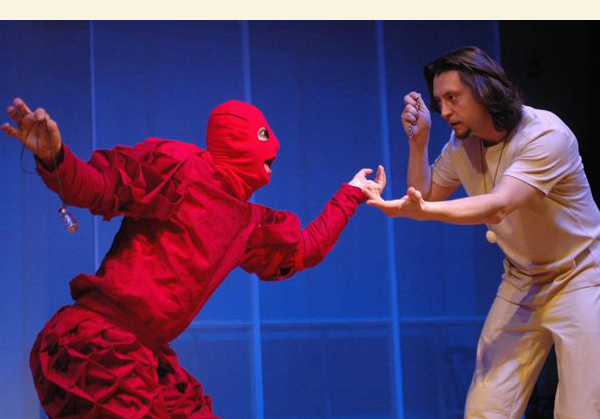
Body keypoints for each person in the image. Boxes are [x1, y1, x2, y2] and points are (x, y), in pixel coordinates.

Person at [2, 97, 385, 419]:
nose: (274, 151)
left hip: (143, 355)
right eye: (262, 137)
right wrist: (56, 158)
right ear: (237, 140)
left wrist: (351, 194)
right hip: (99, 347)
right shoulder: (179, 168)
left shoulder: (247, 223)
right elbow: (99, 187)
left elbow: (304, 249)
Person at [365, 46, 600, 418]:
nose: (444, 111)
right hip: (522, 279)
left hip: (581, 276)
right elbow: (424, 195)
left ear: (484, 89)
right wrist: (418, 142)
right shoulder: (462, 145)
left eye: (453, 98)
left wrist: (423, 210)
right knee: (486, 406)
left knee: (581, 408)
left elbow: (499, 204)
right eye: (439, 102)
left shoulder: (545, 134)